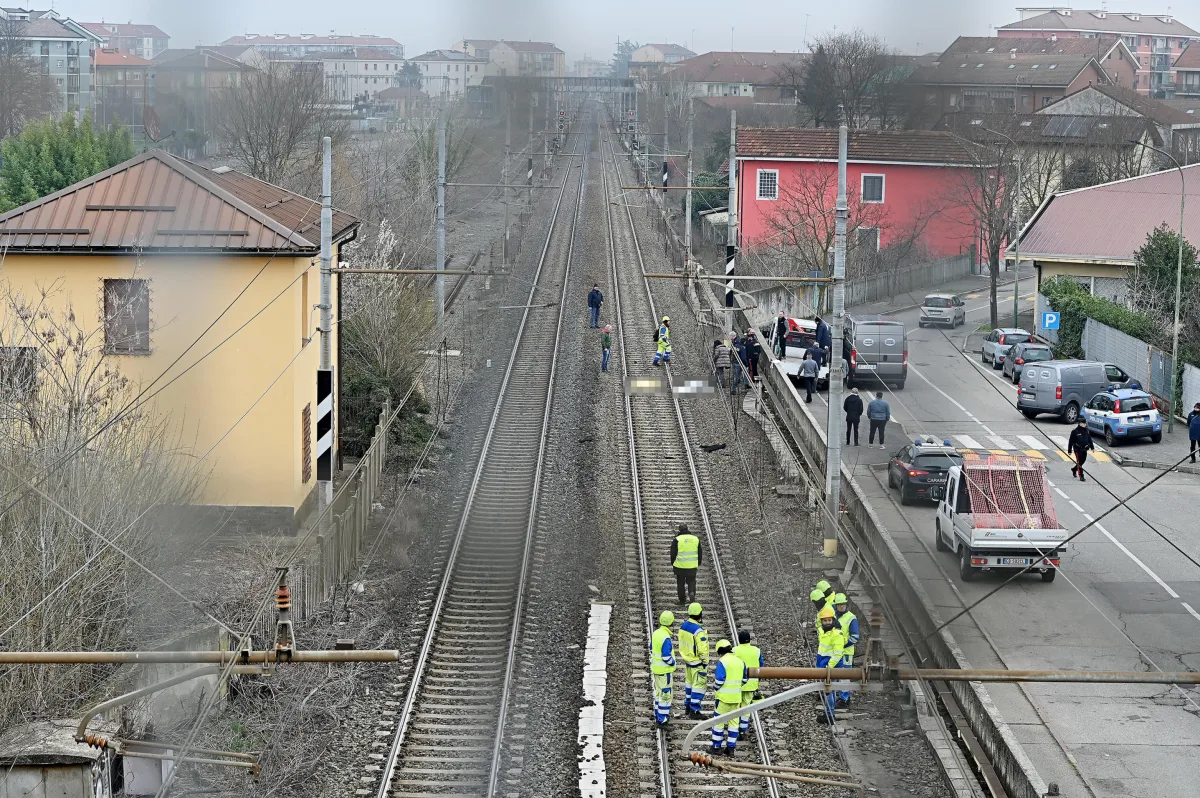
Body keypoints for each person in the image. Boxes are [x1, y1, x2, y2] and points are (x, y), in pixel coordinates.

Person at [710, 639, 745, 755]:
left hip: (723, 698)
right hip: (736, 698)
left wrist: (714, 687)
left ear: (720, 651)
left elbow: (719, 680)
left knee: (718, 722)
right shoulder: (740, 661)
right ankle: (731, 749)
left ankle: (716, 747)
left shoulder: (722, 662)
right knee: (734, 723)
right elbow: (745, 679)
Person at [677, 603, 710, 718]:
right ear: (700, 613)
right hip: (697, 662)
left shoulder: (683, 627)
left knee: (689, 684)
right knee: (699, 685)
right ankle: (694, 710)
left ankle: (688, 705)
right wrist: (705, 661)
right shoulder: (698, 631)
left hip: (688, 661)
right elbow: (702, 649)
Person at [815, 606, 846, 722]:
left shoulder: (837, 634)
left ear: (833, 620)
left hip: (832, 666)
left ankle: (829, 715)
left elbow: (837, 654)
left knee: (829, 690)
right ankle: (829, 713)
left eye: (829, 620)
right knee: (829, 690)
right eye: (825, 620)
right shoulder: (822, 631)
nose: (827, 622)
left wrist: (829, 667)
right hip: (824, 664)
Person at [732, 629, 764, 739]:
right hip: (751, 684)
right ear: (749, 640)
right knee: (746, 708)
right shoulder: (757, 651)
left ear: (739, 640)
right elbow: (761, 666)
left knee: (736, 706)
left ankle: (734, 729)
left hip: (737, 684)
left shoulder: (734, 650)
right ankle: (742, 730)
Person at [833, 593, 859, 707]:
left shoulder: (851, 618)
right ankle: (841, 696)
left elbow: (854, 637)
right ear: (836, 605)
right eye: (839, 605)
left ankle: (845, 698)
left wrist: (841, 645)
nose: (841, 607)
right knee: (838, 674)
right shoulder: (835, 616)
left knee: (844, 675)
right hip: (837, 651)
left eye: (843, 604)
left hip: (846, 652)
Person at [650, 611, 676, 725]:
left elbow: (651, 648)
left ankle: (658, 714)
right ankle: (662, 719)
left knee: (659, 693)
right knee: (665, 695)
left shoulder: (656, 633)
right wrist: (673, 662)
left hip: (656, 670)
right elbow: (666, 656)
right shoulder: (666, 637)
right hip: (665, 671)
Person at [671, 524, 702, 605]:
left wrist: (673, 563)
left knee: (680, 583)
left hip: (679, 566)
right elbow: (700, 553)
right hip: (692, 566)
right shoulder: (695, 539)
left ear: (679, 530)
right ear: (688, 529)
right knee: (691, 581)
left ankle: (682, 601)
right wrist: (698, 563)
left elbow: (673, 554)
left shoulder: (677, 539)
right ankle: (691, 592)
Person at [1067, 417, 1094, 482]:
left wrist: (1092, 447)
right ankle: (1081, 476)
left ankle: (1074, 469)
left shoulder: (1086, 430)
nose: (1085, 424)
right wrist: (1069, 450)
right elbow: (1070, 441)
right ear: (1080, 424)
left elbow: (1089, 439)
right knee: (1079, 462)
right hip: (1078, 449)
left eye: (1085, 423)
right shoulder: (1074, 432)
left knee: (1082, 461)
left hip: (1085, 449)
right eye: (1084, 423)